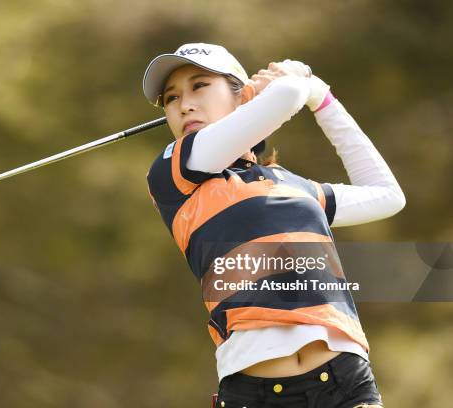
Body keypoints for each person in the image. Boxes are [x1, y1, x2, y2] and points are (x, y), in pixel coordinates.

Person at [142, 43, 405, 408]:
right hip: (255, 393)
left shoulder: (293, 185)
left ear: (239, 94)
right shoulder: (173, 173)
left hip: (346, 381)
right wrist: (295, 83)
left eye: (199, 85)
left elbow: (387, 195)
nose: (184, 104)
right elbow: (288, 94)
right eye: (172, 98)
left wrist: (324, 99)